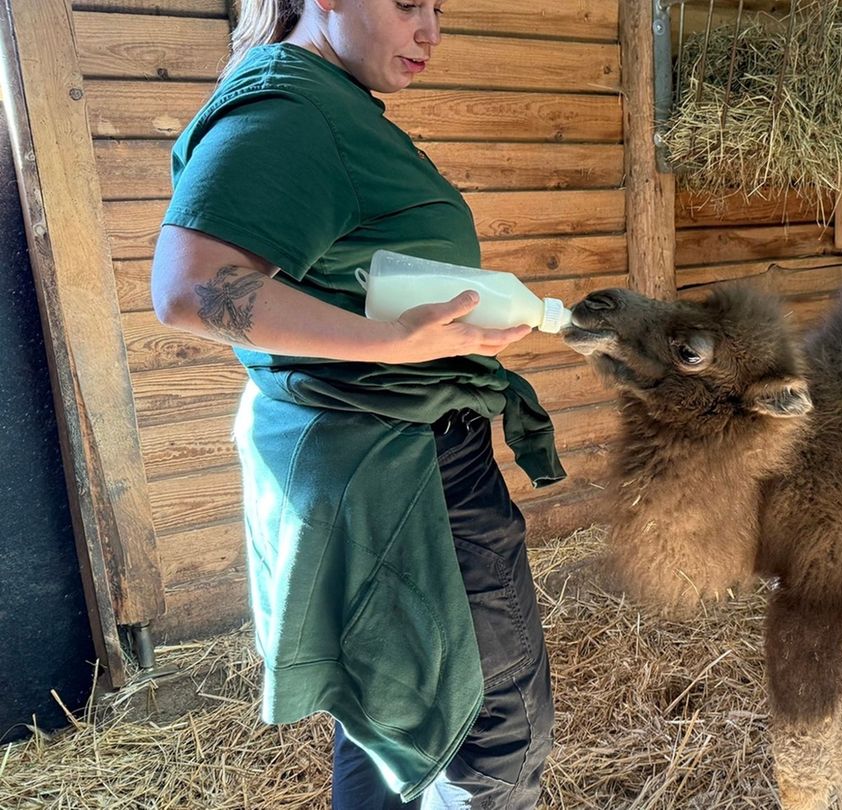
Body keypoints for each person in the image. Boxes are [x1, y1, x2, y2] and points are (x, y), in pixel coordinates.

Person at [149, 0, 565, 807]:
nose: (432, 31)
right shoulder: (294, 106)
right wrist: (393, 346)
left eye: (439, 7)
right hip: (406, 471)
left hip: (375, 451)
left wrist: (423, 333)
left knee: (387, 714)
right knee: (496, 738)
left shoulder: (321, 98)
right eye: (409, 3)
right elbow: (191, 286)